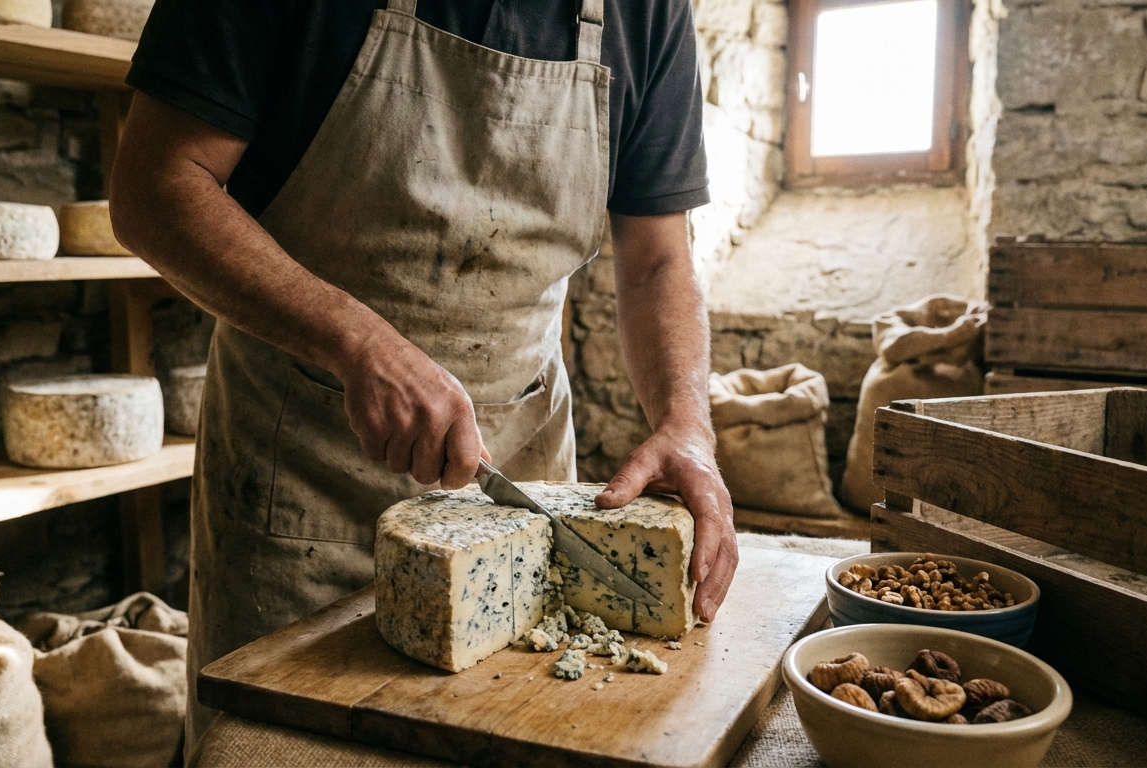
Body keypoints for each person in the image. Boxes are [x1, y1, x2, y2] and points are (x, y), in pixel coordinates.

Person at [108, 0, 739, 748]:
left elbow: (659, 256)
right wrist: (357, 342)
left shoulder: (650, 11)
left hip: (518, 492)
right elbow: (155, 187)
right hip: (304, 470)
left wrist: (686, 424)